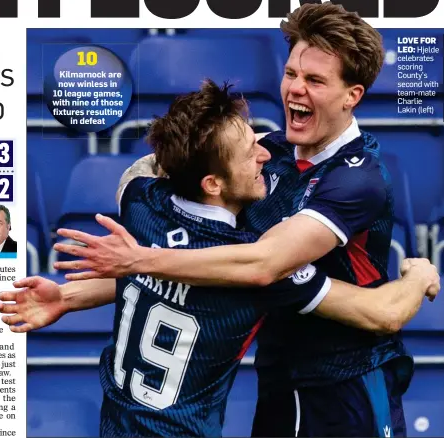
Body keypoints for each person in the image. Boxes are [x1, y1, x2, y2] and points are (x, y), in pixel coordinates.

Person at [47, 3, 418, 437]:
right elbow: (203, 263)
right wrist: (70, 296)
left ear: (352, 95)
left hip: (346, 389)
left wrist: (420, 279)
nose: (294, 90)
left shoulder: (358, 179)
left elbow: (264, 265)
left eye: (315, 80)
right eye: (291, 73)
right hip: (278, 382)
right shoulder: (264, 159)